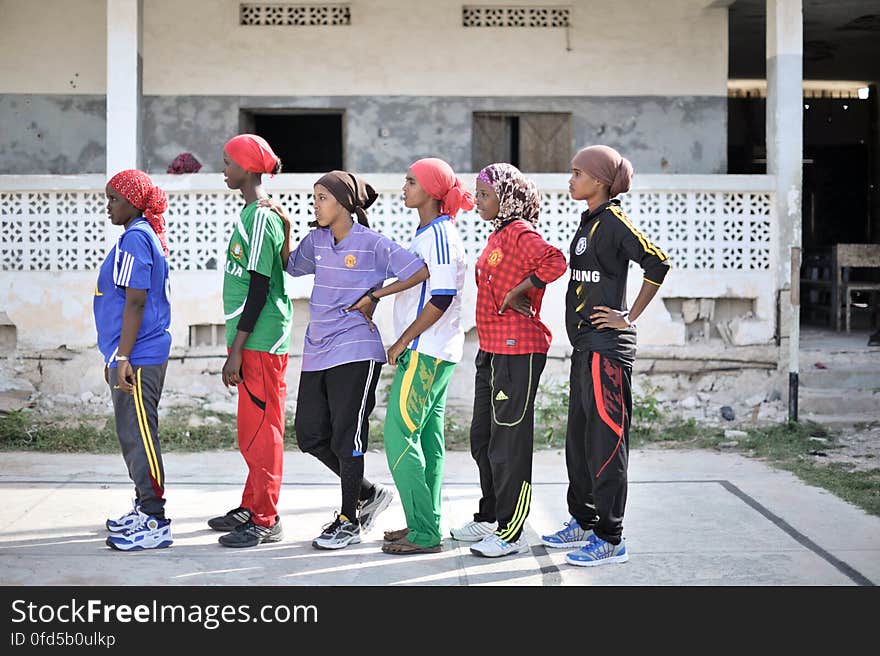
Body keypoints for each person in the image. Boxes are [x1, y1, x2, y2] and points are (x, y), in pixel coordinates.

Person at [270, 170, 429, 550]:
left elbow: (419, 271)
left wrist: (377, 295)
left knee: (347, 437)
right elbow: (291, 267)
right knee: (309, 435)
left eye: (322, 197)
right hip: (317, 350)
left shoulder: (372, 243)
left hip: (357, 349)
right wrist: (288, 227)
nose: (316, 203)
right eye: (315, 197)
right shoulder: (317, 241)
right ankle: (369, 493)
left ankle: (349, 519)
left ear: (343, 202)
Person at [540, 145, 670, 567]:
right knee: (578, 442)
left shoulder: (614, 222)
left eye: (577, 172)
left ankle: (611, 538)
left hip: (607, 351)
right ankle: (584, 519)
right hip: (585, 348)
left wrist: (628, 315)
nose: (571, 179)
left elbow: (658, 263)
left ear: (599, 180)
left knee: (606, 442)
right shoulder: (590, 222)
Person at [449, 163, 567, 558]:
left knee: (508, 444)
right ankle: (489, 515)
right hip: (492, 348)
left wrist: (522, 290)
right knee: (482, 439)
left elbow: (554, 262)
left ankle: (511, 532)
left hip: (519, 351)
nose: (478, 200)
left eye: (484, 194)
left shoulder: (520, 232)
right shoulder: (499, 233)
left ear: (507, 197)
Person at [378, 158, 472, 555]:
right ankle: (425, 524)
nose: (404, 187)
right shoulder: (431, 231)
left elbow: (443, 296)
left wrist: (401, 341)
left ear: (432, 191)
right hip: (439, 351)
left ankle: (424, 532)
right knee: (427, 439)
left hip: (424, 352)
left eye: (411, 181)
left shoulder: (438, 234)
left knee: (398, 435)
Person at [208, 134, 292, 549]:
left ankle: (266, 518)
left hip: (259, 340)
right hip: (250, 338)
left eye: (227, 162)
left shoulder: (260, 217)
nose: (223, 169)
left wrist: (237, 350)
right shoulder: (252, 213)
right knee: (252, 429)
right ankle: (251, 503)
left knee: (262, 431)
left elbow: (259, 288)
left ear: (246, 166)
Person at [96, 169, 173, 551]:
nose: (108, 206)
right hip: (128, 355)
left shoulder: (136, 240)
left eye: (113, 199)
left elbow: (136, 300)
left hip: (139, 357)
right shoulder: (136, 236)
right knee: (131, 436)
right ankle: (144, 505)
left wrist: (124, 355)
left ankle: (155, 519)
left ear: (132, 202)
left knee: (141, 436)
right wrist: (114, 354)